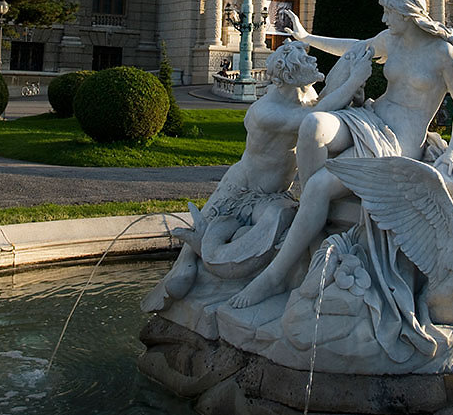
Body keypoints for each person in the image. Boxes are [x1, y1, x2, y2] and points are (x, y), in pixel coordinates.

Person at [231, 0, 453, 309]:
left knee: (319, 185)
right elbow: (353, 49)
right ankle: (312, 218)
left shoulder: (444, 54)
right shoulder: (392, 41)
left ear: (407, 15)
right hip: (370, 117)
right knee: (313, 124)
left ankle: (277, 273)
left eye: (389, 13)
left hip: (397, 141)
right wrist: (306, 38)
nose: (384, 19)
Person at [141, 39, 372, 311]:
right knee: (203, 226)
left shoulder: (306, 94)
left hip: (273, 195)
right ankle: (185, 267)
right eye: (306, 61)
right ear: (289, 75)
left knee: (270, 225)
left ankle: (269, 276)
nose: (314, 62)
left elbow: (325, 105)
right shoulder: (266, 112)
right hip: (239, 186)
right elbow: (315, 117)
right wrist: (354, 78)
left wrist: (353, 91)